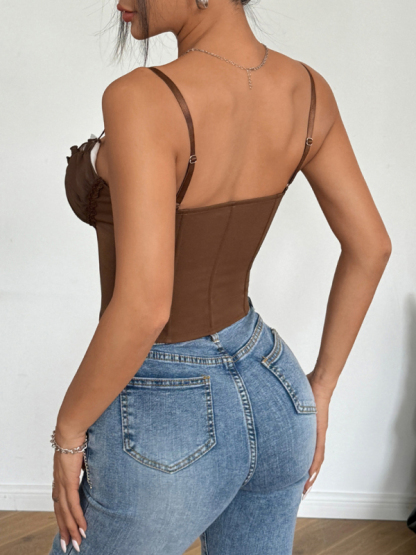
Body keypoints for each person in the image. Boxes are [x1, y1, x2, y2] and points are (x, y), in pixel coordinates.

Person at [48, 0, 392, 553]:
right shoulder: (307, 91)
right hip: (277, 393)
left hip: (165, 405)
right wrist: (321, 389)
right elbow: (371, 246)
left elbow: (146, 306)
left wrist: (68, 432)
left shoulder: (140, 98)